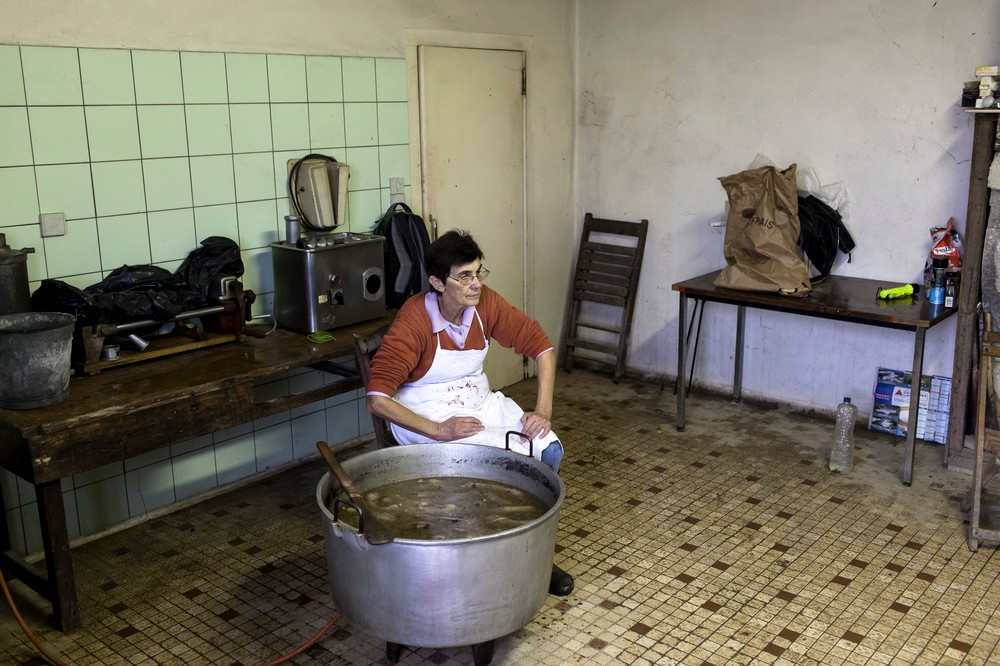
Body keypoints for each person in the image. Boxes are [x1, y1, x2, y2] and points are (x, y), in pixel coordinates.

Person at [366, 229, 573, 596]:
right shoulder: (414, 321)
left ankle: (530, 552)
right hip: (425, 412)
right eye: (464, 276)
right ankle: (481, 559)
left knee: (547, 447)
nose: (476, 284)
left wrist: (542, 411)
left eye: (479, 273)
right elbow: (378, 399)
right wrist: (436, 429)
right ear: (437, 282)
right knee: (500, 463)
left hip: (478, 401)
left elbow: (542, 348)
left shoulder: (485, 304)